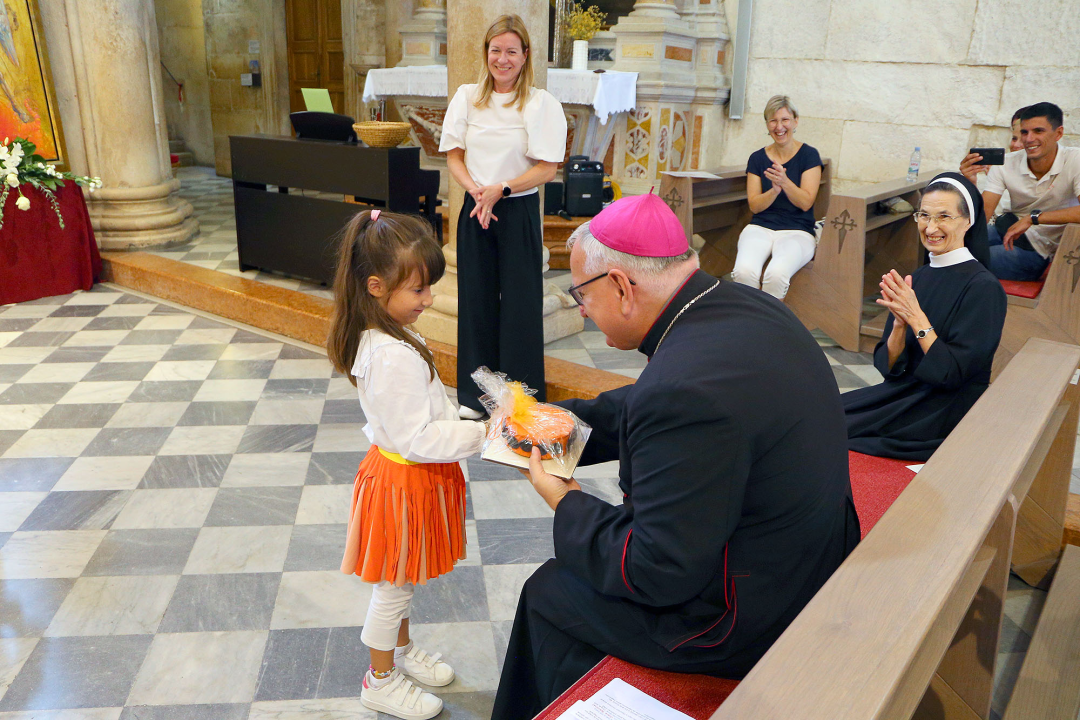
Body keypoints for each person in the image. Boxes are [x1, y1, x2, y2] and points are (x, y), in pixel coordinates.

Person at [491, 193, 859, 719]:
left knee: (550, 593)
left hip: (750, 612)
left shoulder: (684, 389)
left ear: (621, 286)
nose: (582, 308)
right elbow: (647, 404)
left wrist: (567, 502)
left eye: (581, 293)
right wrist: (555, 425)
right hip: (811, 555)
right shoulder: (740, 305)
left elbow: (656, 571)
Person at [327, 209, 488, 720]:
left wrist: (466, 416)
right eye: (419, 289)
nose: (429, 299)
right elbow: (416, 438)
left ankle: (400, 652)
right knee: (392, 588)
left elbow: (424, 409)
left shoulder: (391, 331)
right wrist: (484, 435)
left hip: (406, 476)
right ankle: (378, 680)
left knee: (402, 579)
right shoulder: (389, 353)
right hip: (402, 479)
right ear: (376, 286)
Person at [440, 14, 568, 419]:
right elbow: (454, 156)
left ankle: (520, 399)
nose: (503, 59)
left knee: (520, 305)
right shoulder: (467, 97)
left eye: (512, 51)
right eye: (496, 50)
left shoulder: (540, 103)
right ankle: (475, 397)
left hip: (517, 209)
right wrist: (477, 190)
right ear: (486, 53)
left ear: (525, 55)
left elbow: (547, 168)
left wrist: (503, 188)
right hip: (477, 207)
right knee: (475, 301)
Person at [844, 173, 1007, 461]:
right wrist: (899, 325)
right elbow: (888, 370)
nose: (931, 228)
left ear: (968, 221)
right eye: (924, 216)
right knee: (819, 411)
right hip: (904, 394)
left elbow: (952, 375)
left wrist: (917, 319)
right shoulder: (919, 276)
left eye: (944, 217)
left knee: (830, 429)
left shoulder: (984, 288)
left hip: (943, 407)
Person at [960, 102, 1080, 281]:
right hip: (1006, 230)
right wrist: (969, 184)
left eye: (1038, 131)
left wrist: (1033, 218)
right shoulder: (1006, 163)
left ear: (1059, 133)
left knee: (967, 263)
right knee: (949, 249)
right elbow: (983, 215)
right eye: (1024, 132)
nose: (1029, 139)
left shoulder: (1075, 159)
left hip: (1039, 250)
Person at [731, 95, 824, 299]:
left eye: (785, 120)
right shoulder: (757, 158)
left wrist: (784, 182)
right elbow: (755, 206)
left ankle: (768, 319)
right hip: (760, 227)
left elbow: (806, 202)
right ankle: (748, 317)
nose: (779, 127)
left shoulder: (809, 156)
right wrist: (773, 191)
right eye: (773, 120)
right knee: (744, 272)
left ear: (795, 121)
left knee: (776, 274)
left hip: (798, 231)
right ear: (767, 124)